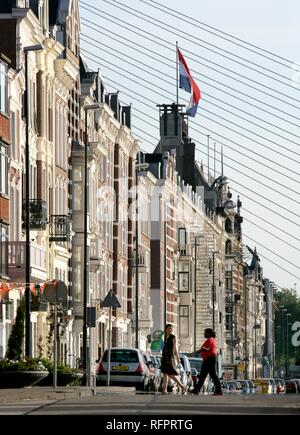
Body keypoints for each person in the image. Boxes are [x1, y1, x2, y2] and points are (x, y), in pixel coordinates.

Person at [192, 328, 223, 396]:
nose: (204, 334)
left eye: (205, 332)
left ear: (208, 333)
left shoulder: (210, 340)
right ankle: (196, 390)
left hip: (209, 359)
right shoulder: (211, 340)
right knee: (204, 375)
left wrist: (194, 353)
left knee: (212, 375)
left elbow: (205, 349)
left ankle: (219, 391)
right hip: (209, 359)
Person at [160, 324, 186, 394]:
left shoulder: (173, 337)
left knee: (170, 374)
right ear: (166, 329)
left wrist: (177, 358)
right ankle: (164, 390)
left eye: (171, 329)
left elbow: (175, 349)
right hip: (164, 357)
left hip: (169, 357)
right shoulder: (165, 337)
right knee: (165, 373)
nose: (170, 330)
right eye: (168, 328)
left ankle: (182, 386)